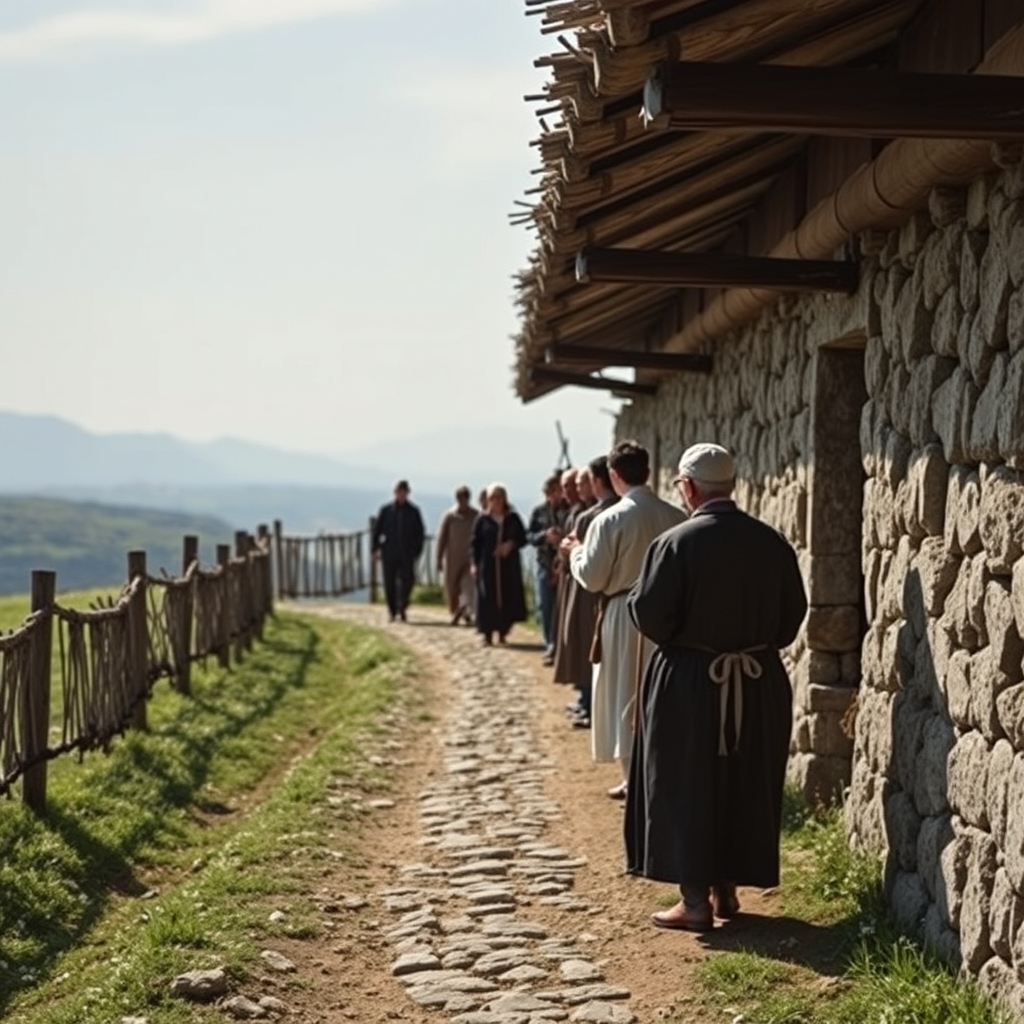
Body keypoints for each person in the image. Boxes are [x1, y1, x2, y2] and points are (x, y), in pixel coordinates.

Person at [625, 443, 807, 932]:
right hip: (759, 682)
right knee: (743, 781)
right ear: (731, 486)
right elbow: (790, 622)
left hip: (689, 682)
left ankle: (695, 901)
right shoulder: (772, 544)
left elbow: (651, 616)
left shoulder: (674, 544)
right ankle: (727, 891)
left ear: (687, 487)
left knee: (687, 781)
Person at [567, 441, 687, 798]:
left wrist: (575, 553)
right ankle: (661, 770)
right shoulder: (675, 516)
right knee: (659, 693)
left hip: (623, 613)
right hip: (668, 616)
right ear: (647, 472)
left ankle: (631, 774)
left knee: (624, 689)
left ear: (615, 476)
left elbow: (593, 576)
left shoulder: (610, 519)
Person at [556, 457, 616, 728]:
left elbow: (578, 558)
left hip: (588, 591)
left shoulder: (591, 517)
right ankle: (587, 702)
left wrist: (569, 550)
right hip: (607, 593)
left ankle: (592, 706)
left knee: (588, 647)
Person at [471, 483, 528, 646]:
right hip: (487, 566)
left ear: (504, 499)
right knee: (487, 598)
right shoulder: (482, 520)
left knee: (507, 598)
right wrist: (474, 564)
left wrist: (510, 544)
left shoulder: (513, 519)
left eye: (498, 497)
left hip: (507, 567)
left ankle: (503, 632)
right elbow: (474, 544)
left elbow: (523, 538)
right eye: (491, 498)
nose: (494, 501)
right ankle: (487, 634)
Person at [371, 479, 425, 622]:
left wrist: (417, 551)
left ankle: (402, 606)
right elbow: (377, 532)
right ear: (395, 493)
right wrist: (375, 550)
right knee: (389, 582)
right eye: (399, 492)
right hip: (389, 552)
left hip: (407, 553)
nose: (401, 495)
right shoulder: (386, 510)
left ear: (408, 493)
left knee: (407, 581)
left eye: (404, 492)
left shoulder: (414, 512)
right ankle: (392, 609)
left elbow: (420, 533)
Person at [527, 474, 566, 666]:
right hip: (544, 564)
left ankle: (561, 646)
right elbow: (530, 536)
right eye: (550, 492)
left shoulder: (568, 511)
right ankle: (550, 644)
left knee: (561, 608)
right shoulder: (539, 512)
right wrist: (544, 536)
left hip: (564, 566)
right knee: (545, 606)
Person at [436, 485, 477, 625]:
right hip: (453, 557)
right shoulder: (450, 516)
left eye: (465, 498)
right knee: (452, 587)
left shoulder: (475, 515)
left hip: (469, 556)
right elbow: (442, 538)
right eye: (460, 498)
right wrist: (439, 557)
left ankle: (464, 611)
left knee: (467, 586)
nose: (462, 501)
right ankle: (457, 611)